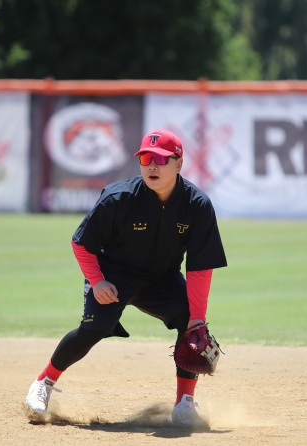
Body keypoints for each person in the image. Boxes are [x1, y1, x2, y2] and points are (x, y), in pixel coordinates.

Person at [25, 129, 227, 427]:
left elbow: (199, 268)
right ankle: (43, 382)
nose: (152, 165)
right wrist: (96, 281)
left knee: (190, 324)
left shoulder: (196, 205)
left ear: (179, 163)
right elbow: (81, 243)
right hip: (113, 277)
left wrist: (197, 318)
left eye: (160, 159)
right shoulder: (119, 198)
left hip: (162, 280)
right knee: (95, 329)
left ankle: (185, 403)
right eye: (146, 158)